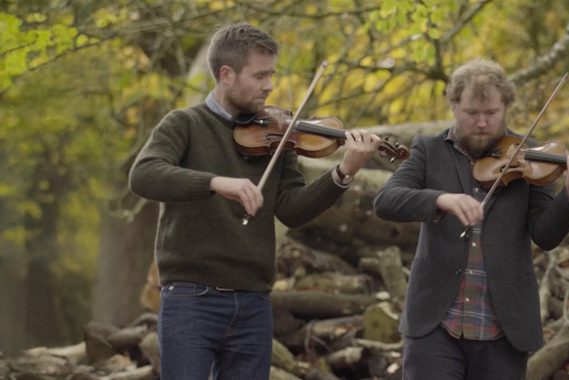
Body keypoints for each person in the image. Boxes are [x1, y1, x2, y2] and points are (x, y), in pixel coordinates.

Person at [129, 22, 382, 379]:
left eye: (272, 74)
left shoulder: (278, 133)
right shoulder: (184, 124)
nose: (270, 85)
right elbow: (144, 175)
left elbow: (293, 210)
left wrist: (343, 173)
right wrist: (217, 183)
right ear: (227, 74)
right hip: (191, 299)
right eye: (260, 75)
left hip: (252, 301)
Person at [372, 58, 569, 380]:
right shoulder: (428, 149)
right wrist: (440, 198)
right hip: (435, 324)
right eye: (471, 114)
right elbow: (385, 201)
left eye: (491, 114)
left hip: (502, 328)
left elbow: (546, 235)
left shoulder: (532, 157)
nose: (482, 123)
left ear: (506, 107)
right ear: (453, 106)